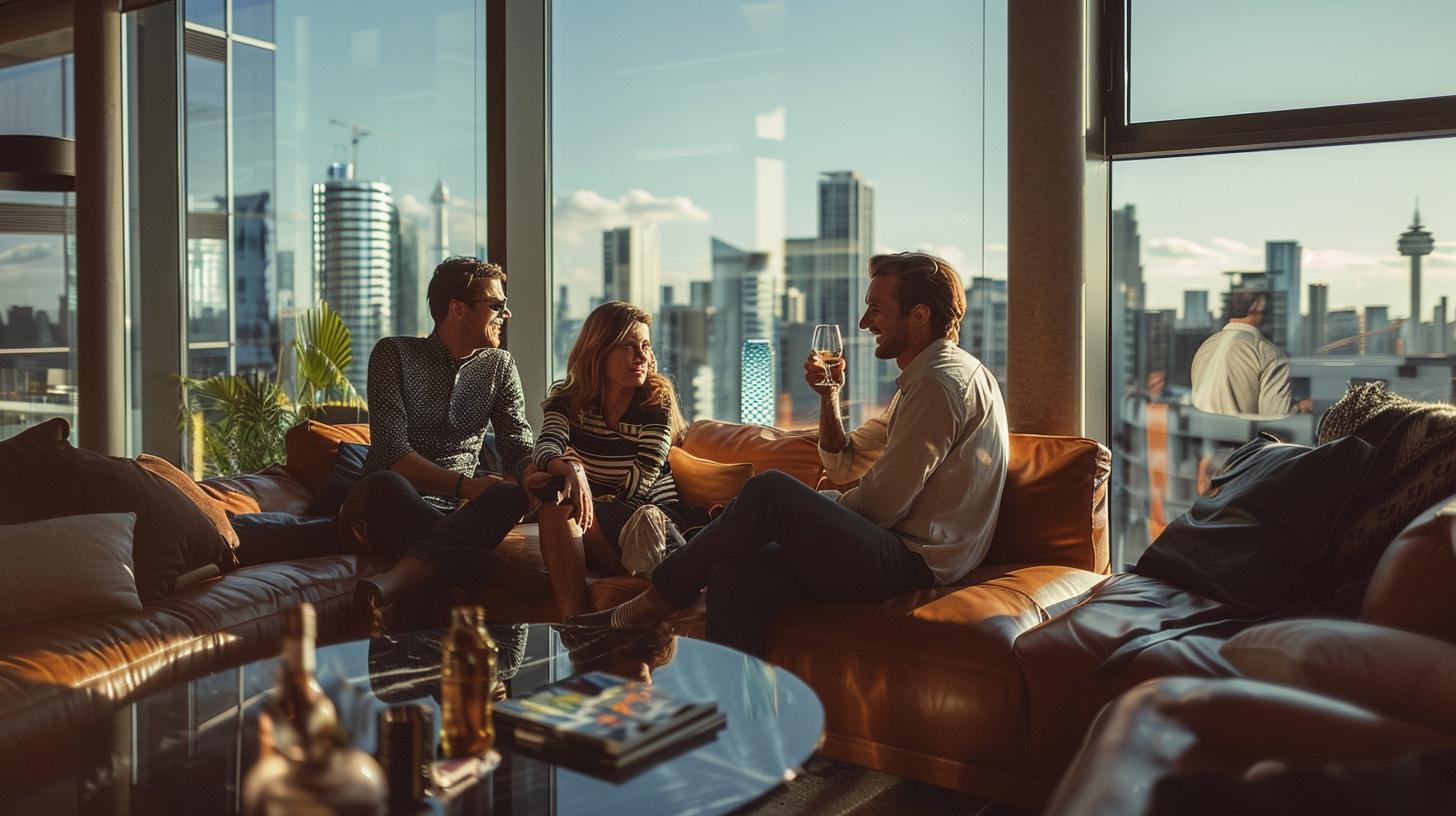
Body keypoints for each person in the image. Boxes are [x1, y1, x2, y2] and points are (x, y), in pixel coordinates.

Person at [571, 252, 1010, 657]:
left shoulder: (938, 385)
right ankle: (744, 720)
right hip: (905, 551)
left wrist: (785, 515)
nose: (863, 322)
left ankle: (648, 604)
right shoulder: (933, 379)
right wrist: (829, 398)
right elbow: (846, 458)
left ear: (920, 315)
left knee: (770, 491)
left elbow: (879, 505)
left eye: (877, 309)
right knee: (731, 573)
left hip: (915, 562)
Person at [343, 256, 533, 633]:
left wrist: (546, 469)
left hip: (458, 516)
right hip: (387, 504)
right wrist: (469, 487)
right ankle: (486, 568)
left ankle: (396, 585)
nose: (506, 313)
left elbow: (517, 445)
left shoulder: (500, 366)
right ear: (458, 308)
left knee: (512, 496)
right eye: (496, 305)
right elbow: (395, 455)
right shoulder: (393, 354)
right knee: (386, 483)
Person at [527, 301, 704, 618]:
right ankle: (575, 625)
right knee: (556, 507)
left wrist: (575, 491)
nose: (641, 357)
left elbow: (638, 485)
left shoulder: (656, 403)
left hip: (648, 521)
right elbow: (544, 449)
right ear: (599, 351)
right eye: (628, 346)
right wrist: (572, 469)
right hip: (599, 524)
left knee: (561, 499)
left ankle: (587, 611)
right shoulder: (568, 401)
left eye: (646, 346)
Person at [1190, 288, 1312, 418]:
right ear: (1256, 308)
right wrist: (1302, 407)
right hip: (1239, 437)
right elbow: (1277, 417)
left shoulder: (1206, 345)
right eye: (1268, 308)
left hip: (1199, 435)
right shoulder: (1268, 354)